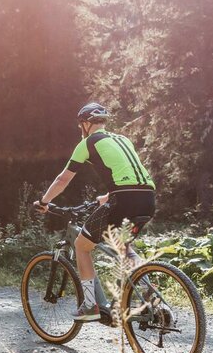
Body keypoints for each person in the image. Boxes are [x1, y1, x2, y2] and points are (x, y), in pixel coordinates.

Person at [35, 103, 156, 321]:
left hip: (124, 200)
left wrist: (44, 201)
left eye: (81, 124)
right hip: (148, 198)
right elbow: (129, 176)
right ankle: (153, 297)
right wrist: (107, 197)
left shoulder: (87, 143)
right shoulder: (123, 139)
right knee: (123, 247)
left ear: (85, 123)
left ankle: (90, 305)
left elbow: (62, 179)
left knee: (82, 246)